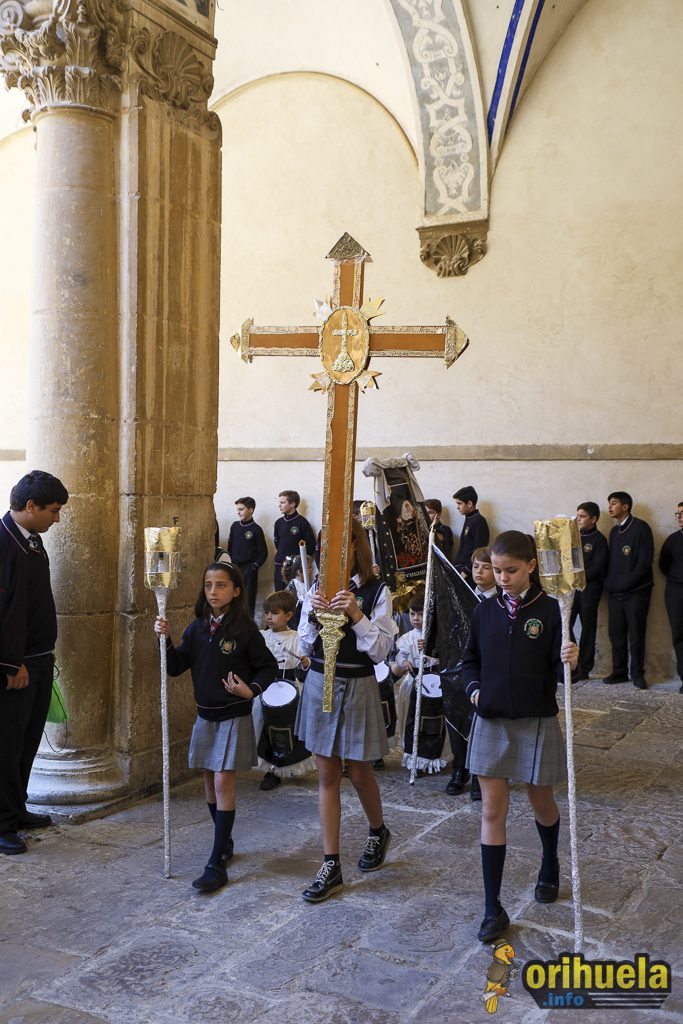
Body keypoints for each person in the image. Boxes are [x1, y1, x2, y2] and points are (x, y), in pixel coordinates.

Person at [461, 530, 578, 943]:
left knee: (541, 801)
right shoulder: (484, 612)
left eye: (510, 570)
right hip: (491, 719)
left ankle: (550, 861)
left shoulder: (551, 610)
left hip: (535, 719)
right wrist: (475, 691)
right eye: (497, 570)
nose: (502, 578)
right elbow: (470, 660)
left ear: (531, 566)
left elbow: (562, 671)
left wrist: (572, 659)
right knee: (492, 811)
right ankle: (492, 906)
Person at [154, 562, 277, 892]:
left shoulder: (245, 630)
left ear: (236, 591)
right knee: (210, 781)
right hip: (206, 715)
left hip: (232, 714)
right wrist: (164, 640)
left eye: (221, 585)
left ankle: (215, 863)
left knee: (223, 781)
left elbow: (268, 667)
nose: (213, 591)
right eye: (208, 585)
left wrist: (251, 690)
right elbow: (176, 666)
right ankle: (224, 842)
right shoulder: (197, 628)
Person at [296, 519, 395, 902]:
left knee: (358, 769)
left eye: (341, 541)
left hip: (357, 683)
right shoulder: (316, 588)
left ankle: (378, 830)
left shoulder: (376, 590)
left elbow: (381, 651)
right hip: (320, 681)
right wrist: (311, 614)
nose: (333, 550)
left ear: (356, 545)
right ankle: (331, 863)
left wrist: (356, 614)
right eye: (326, 544)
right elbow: (304, 647)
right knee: (326, 772)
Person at [0, 470, 68, 855]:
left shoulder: (32, 540)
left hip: (40, 661)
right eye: (53, 511)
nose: (56, 519)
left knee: (27, 742)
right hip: (16, 667)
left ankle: (17, 809)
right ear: (30, 506)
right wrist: (10, 663)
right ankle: (2, 823)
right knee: (6, 747)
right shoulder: (2, 542)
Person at [257, 590, 314, 790]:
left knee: (291, 729)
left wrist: (305, 663)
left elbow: (305, 670)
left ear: (288, 615)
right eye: (267, 613)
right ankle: (272, 770)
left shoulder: (297, 638)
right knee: (267, 730)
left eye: (274, 613)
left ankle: (290, 765)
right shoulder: (261, 637)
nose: (269, 617)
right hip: (266, 689)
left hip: (291, 688)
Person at [390, 591, 446, 776]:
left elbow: (443, 657)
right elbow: (401, 655)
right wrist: (404, 662)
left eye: (421, 614)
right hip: (413, 682)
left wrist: (431, 647)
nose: (415, 618)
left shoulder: (438, 636)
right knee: (411, 720)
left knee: (432, 723)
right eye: (412, 614)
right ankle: (414, 758)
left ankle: (432, 757)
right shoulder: (408, 637)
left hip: (434, 683)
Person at [602, 491, 654, 689]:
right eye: (609, 503)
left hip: (636, 592)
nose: (610, 507)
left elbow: (644, 562)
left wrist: (626, 584)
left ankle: (637, 673)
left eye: (614, 503)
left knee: (636, 634)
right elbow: (612, 563)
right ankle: (619, 671)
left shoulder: (641, 528)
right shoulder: (615, 532)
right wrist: (610, 585)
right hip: (615, 593)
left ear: (625, 506)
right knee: (616, 633)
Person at [570, 502, 608, 680]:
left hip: (589, 589)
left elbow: (598, 568)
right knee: (565, 625)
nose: (578, 519)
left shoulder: (599, 540)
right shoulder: (574, 537)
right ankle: (571, 663)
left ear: (593, 519)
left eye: (582, 516)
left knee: (588, 628)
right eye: (577, 515)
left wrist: (578, 575)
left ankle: (584, 668)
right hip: (572, 589)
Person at [226, 497, 268, 616]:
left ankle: (248, 623)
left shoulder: (256, 529)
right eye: (237, 509)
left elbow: (263, 552)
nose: (238, 512)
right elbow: (230, 546)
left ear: (250, 510)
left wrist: (254, 566)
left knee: (248, 600)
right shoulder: (235, 526)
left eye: (241, 509)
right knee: (232, 597)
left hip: (249, 570)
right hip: (234, 568)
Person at [659, 502, 683, 693]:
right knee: (679, 635)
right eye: (678, 513)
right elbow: (663, 564)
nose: (680, 517)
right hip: (676, 591)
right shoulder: (673, 540)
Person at [273, 490, 316, 591]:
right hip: (280, 565)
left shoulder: (302, 522)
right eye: (279, 502)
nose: (279, 505)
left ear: (292, 504)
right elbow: (277, 543)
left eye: (282, 502)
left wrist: (298, 562)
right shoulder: (278, 523)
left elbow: (310, 546)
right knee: (279, 595)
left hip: (295, 568)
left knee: (295, 595)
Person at [452, 486, 489, 578]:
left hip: (468, 572)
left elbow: (479, 550)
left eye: (459, 503)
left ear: (469, 503)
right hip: (460, 567)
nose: (457, 507)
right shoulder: (469, 518)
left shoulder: (479, 521)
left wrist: (466, 570)